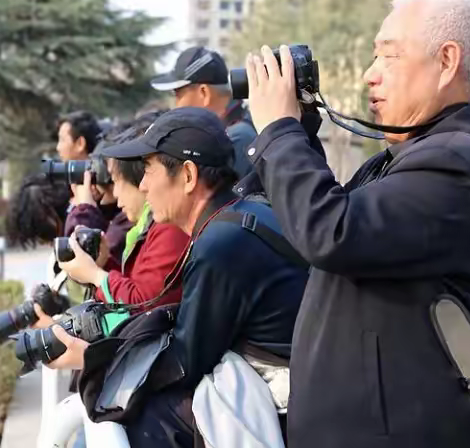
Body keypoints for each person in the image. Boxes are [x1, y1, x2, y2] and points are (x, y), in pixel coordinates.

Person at [243, 0, 470, 448]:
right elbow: (319, 220)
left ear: (447, 61)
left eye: (388, 56)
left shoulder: (459, 161)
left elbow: (332, 232)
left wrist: (279, 132)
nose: (370, 75)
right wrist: (299, 136)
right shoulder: (408, 156)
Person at [49, 107, 309, 447]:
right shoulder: (244, 213)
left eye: (148, 171)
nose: (142, 185)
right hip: (305, 394)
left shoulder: (220, 244)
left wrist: (93, 359)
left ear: (187, 176)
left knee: (124, 421)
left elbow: (185, 363)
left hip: (291, 413)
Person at [53, 113, 190, 307]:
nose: (115, 194)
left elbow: (143, 303)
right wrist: (104, 264)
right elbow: (136, 285)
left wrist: (96, 275)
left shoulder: (170, 227)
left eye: (115, 181)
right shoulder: (148, 226)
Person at [151, 46, 257, 178]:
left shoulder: (236, 138)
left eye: (178, 94)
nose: (176, 106)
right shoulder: (234, 127)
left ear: (204, 92)